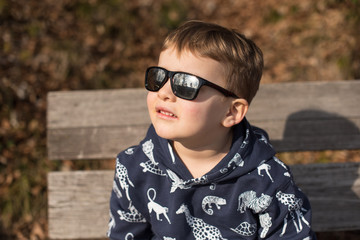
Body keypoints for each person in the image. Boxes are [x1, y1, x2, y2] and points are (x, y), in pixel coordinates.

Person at [108, 20, 316, 240]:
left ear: (231, 112)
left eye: (186, 84)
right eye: (159, 77)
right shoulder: (134, 167)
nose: (164, 92)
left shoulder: (269, 181)